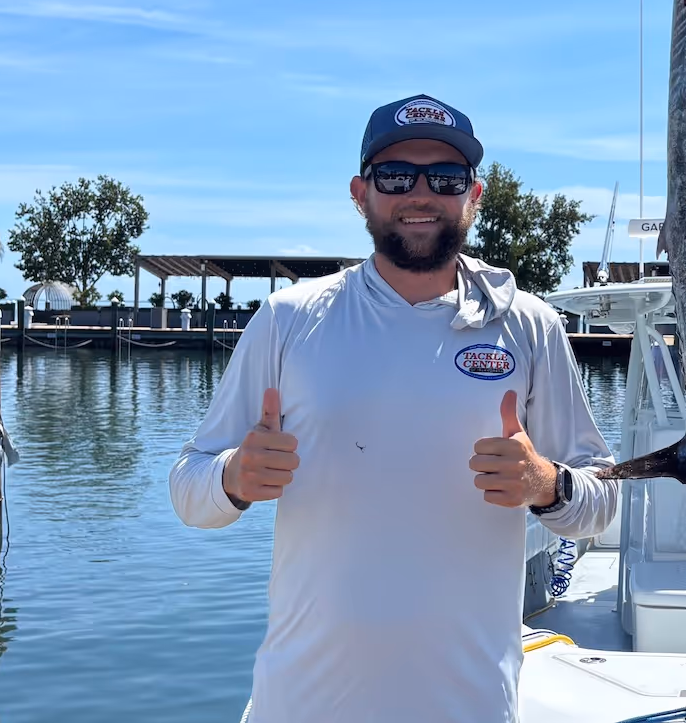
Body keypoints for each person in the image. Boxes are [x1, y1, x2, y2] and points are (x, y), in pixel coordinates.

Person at [168, 93, 619, 723]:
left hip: (471, 706)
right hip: (301, 705)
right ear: (360, 193)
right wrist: (234, 478)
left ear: (475, 194)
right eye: (397, 176)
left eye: (446, 177)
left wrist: (547, 485)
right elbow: (188, 490)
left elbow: (602, 500)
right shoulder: (289, 319)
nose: (421, 193)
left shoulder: (529, 324)